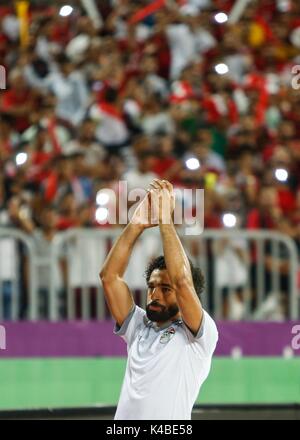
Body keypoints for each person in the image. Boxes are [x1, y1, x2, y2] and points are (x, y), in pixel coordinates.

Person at [99, 178, 218, 420]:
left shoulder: (199, 335)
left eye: (165, 288)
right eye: (152, 286)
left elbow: (182, 282)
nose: (155, 294)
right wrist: (136, 224)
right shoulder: (138, 327)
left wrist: (166, 220)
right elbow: (109, 277)